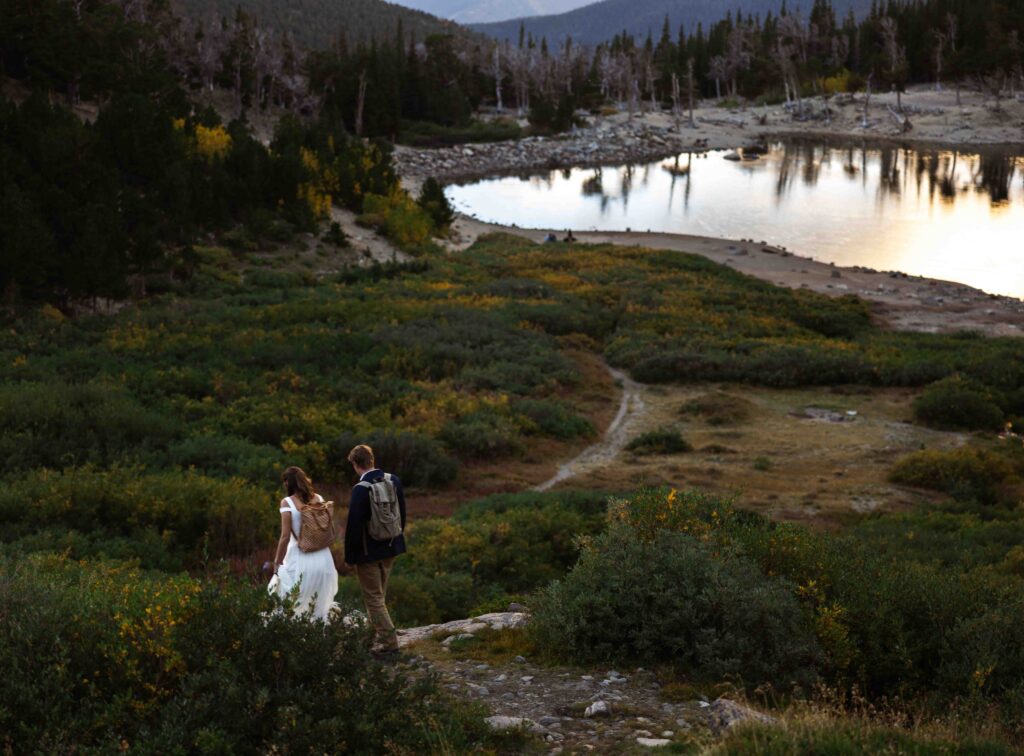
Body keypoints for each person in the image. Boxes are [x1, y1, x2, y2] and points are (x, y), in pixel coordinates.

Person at [344, 444, 407, 658]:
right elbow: (402, 513)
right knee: (379, 596)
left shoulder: (361, 489)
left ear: (355, 464)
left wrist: (350, 557)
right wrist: (396, 539)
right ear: (371, 459)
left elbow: (354, 526)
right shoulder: (393, 480)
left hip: (367, 552)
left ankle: (390, 644)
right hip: (391, 545)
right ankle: (372, 638)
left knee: (373, 598)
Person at [268, 466, 339, 622]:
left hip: (300, 557)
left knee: (294, 600)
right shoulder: (318, 499)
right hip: (324, 558)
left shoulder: (287, 502)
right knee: (318, 604)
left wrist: (277, 562)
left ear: (287, 483)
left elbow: (285, 536)